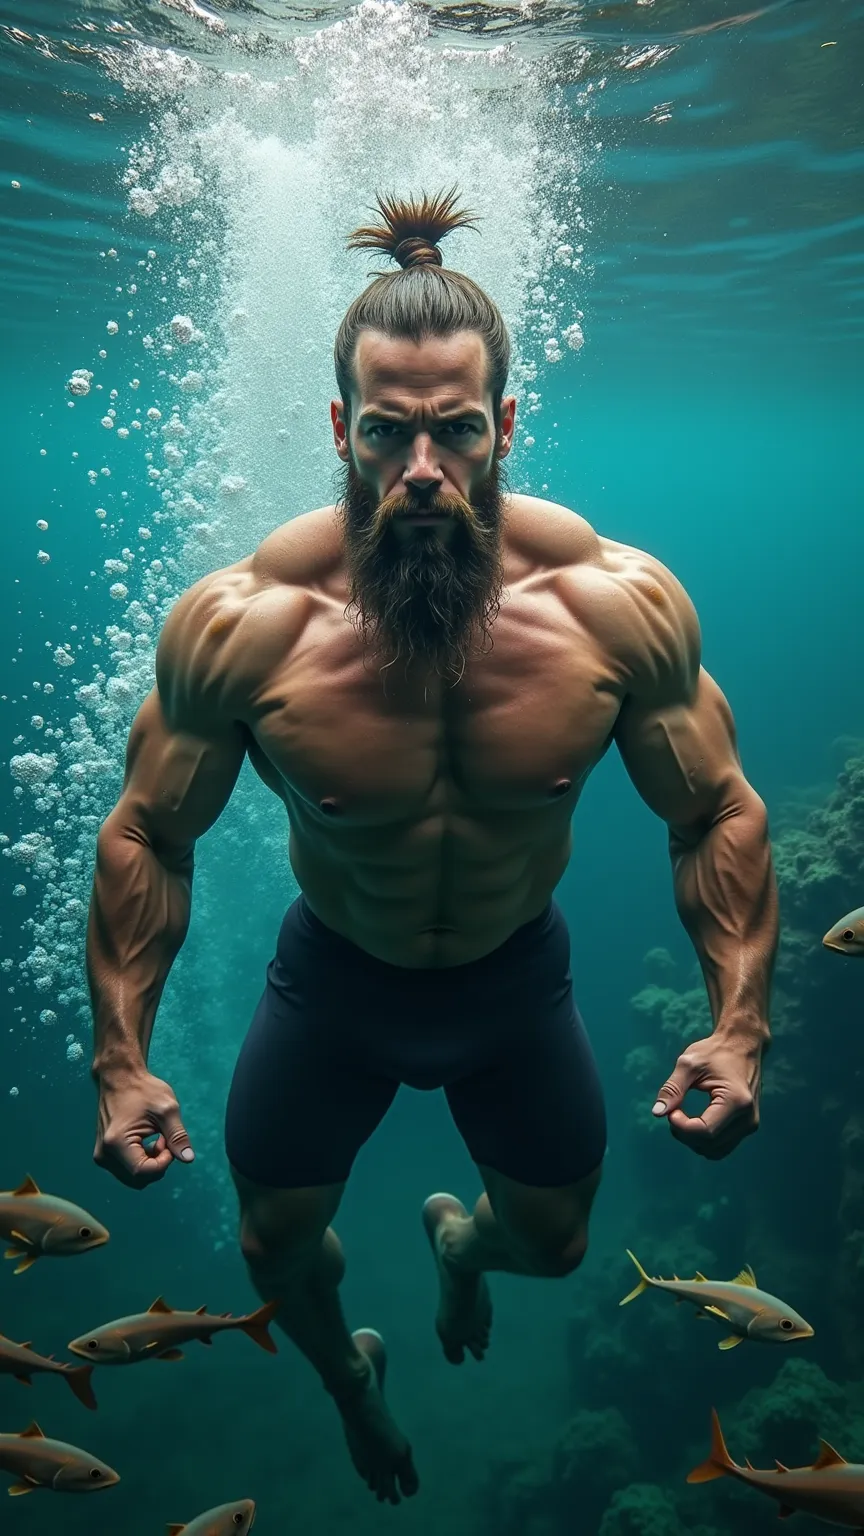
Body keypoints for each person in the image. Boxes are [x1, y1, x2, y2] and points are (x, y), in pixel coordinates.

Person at [87, 190, 778, 1506]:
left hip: (511, 982)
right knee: (271, 1251)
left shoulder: (609, 607)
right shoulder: (248, 622)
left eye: (456, 432)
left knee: (557, 1247)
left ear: (505, 425)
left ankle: (457, 1249)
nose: (421, 471)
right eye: (389, 434)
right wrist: (123, 1063)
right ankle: (353, 1381)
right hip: (334, 986)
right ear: (342, 429)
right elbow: (146, 834)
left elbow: (718, 812)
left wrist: (738, 1029)